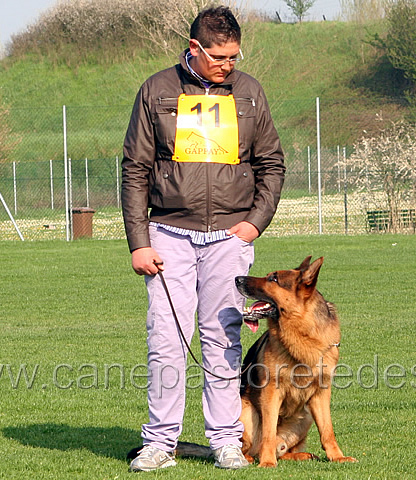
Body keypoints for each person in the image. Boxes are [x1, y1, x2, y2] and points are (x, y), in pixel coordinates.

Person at [121, 5, 285, 472]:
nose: (228, 65)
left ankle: (226, 440)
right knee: (167, 341)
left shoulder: (250, 92)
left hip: (229, 237)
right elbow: (134, 169)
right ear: (194, 48)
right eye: (219, 57)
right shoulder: (157, 89)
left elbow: (271, 163)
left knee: (222, 339)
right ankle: (160, 443)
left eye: (234, 56)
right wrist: (138, 240)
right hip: (168, 234)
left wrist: (255, 222)